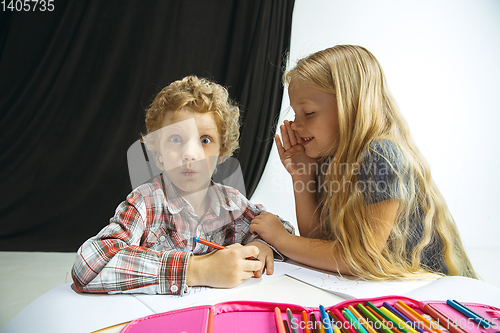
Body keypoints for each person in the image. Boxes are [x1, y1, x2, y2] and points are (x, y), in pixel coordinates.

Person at [250, 45, 476, 280]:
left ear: (351, 107)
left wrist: (283, 239)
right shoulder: (330, 160)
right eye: (295, 114)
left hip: (434, 299)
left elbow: (361, 258)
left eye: (308, 113)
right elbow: (318, 242)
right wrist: (302, 175)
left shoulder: (381, 155)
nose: (295, 125)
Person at [72, 75, 294, 295]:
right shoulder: (146, 202)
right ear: (158, 153)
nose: (190, 153)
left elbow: (280, 229)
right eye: (176, 139)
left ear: (222, 152)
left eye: (205, 140)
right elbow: (88, 265)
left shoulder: (231, 203)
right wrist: (197, 270)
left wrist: (264, 246)